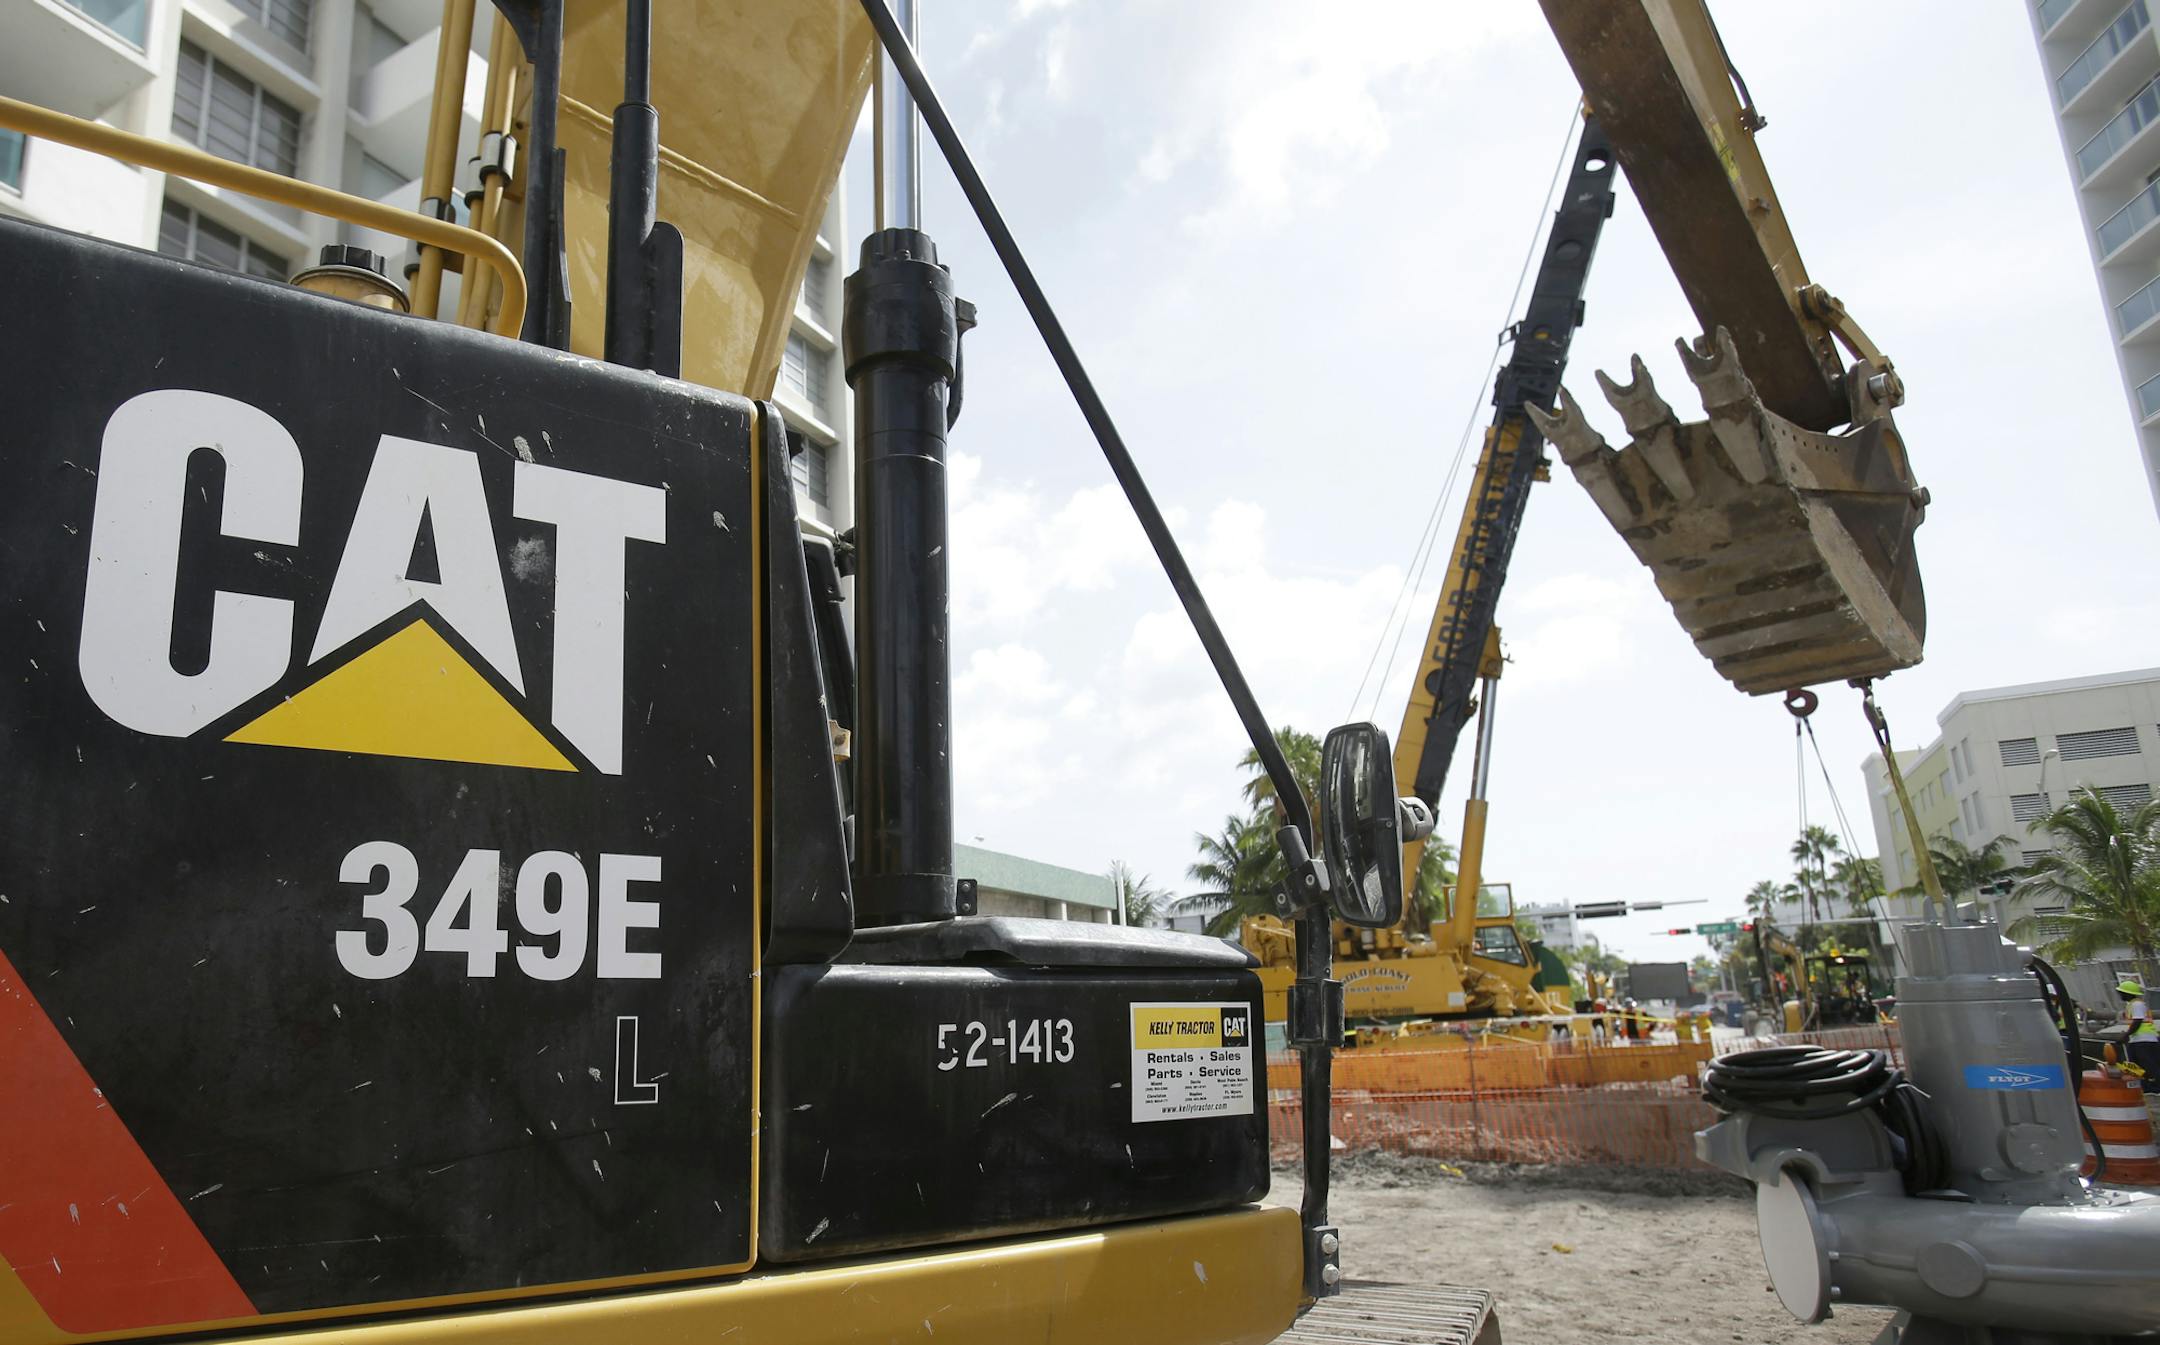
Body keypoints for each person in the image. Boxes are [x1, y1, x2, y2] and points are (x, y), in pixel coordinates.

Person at [2123, 979, 2160, 1082]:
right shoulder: (2131, 1004)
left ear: (2128, 994)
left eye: (2122, 993)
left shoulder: (2137, 1004)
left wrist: (2126, 1035)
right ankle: (2145, 1088)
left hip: (2144, 1040)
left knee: (2150, 1066)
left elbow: (2138, 1021)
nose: (2120, 995)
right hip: (2137, 1039)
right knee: (2136, 1068)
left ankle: (2155, 1088)